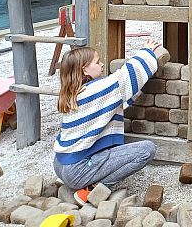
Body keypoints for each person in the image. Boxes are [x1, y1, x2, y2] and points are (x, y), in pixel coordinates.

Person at [53, 41, 161, 203]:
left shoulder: (74, 93)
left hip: (60, 165)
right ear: (84, 69)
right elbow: (124, 78)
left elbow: (118, 97)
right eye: (97, 62)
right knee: (147, 150)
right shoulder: (96, 90)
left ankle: (74, 182)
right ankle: (93, 189)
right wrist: (147, 52)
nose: (102, 64)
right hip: (77, 170)